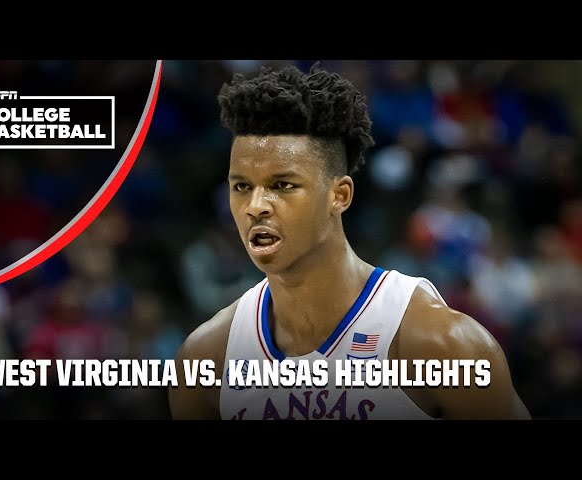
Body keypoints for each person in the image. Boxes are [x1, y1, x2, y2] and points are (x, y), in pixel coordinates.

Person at [168, 63, 531, 420]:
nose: (256, 206)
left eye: (282, 185)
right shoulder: (206, 358)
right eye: (242, 187)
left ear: (339, 195)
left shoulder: (442, 343)